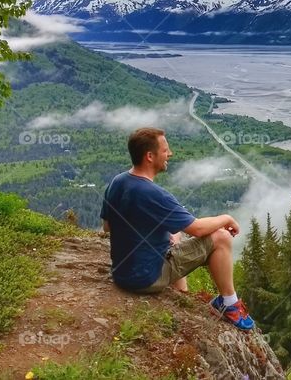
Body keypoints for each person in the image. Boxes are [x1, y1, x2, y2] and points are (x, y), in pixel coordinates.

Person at [100, 127, 254, 330]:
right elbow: (198, 229)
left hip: (122, 274)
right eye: (165, 150)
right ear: (149, 156)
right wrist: (226, 218)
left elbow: (107, 227)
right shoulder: (154, 194)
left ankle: (183, 300)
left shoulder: (117, 182)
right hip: (147, 279)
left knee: (174, 238)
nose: (170, 154)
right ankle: (229, 304)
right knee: (221, 237)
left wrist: (163, 233)